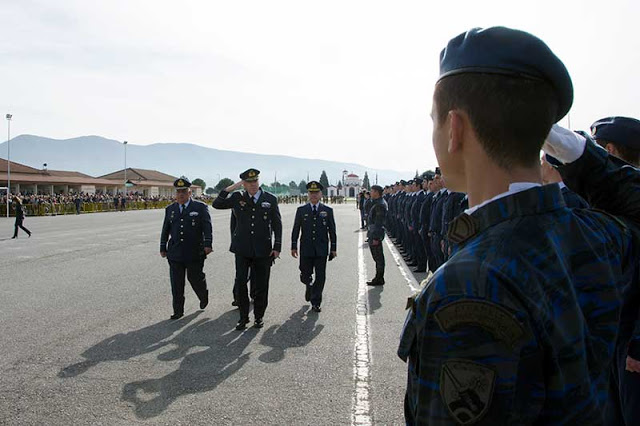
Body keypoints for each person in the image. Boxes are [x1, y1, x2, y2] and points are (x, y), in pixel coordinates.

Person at [398, 26, 640, 425]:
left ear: (455, 128)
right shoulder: (598, 236)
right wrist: (582, 155)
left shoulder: (467, 285)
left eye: (434, 121)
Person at [212, 168, 282, 330]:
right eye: (249, 182)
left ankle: (259, 316)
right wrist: (231, 188)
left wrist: (277, 246)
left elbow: (277, 224)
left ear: (259, 181)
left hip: (263, 250)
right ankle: (243, 317)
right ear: (243, 184)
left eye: (255, 181)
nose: (253, 185)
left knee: (261, 285)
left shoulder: (270, 199)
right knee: (241, 282)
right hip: (242, 249)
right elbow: (217, 204)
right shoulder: (237, 197)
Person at [160, 177, 212, 320]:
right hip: (175, 252)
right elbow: (165, 229)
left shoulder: (200, 207)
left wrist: (208, 244)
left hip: (194, 251)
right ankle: (178, 310)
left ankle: (203, 294)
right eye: (178, 192)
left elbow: (207, 227)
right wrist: (162, 246)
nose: (181, 194)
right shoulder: (170, 209)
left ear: (190, 192)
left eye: (183, 191)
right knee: (176, 283)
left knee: (195, 278)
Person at [291, 181, 337, 312]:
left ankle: (316, 301)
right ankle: (309, 286)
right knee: (305, 274)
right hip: (306, 249)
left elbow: (332, 230)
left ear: (321, 194)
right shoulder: (301, 210)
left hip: (321, 249)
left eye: (316, 193)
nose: (314, 195)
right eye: (311, 193)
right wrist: (293, 246)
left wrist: (333, 248)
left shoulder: (327, 211)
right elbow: (296, 229)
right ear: (308, 194)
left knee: (321, 276)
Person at [366, 185, 387, 286]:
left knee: (378, 257)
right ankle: (378, 277)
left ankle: (379, 278)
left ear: (377, 192)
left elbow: (379, 222)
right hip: (373, 232)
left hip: (375, 234)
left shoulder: (379, 205)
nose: (370, 193)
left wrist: (375, 237)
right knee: (377, 257)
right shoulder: (377, 203)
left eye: (372, 191)